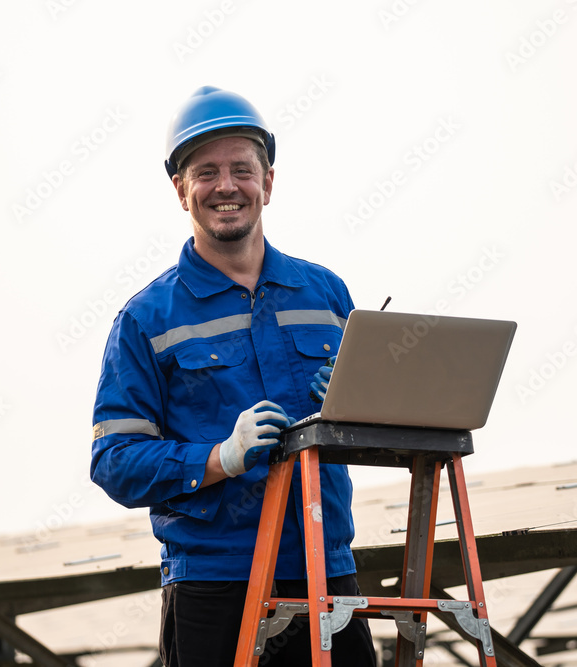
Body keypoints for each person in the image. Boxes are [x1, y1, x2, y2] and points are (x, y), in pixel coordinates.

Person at [90, 86, 377, 666]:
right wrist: (219, 456)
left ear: (267, 182)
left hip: (328, 571)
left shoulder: (325, 294)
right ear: (181, 191)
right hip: (218, 585)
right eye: (206, 172)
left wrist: (359, 406)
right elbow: (113, 460)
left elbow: (370, 433)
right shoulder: (146, 320)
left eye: (242, 170)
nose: (226, 186)